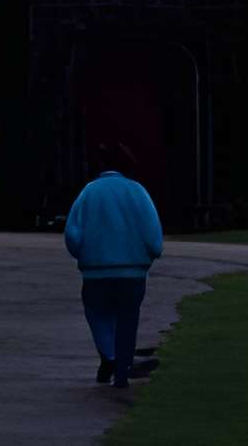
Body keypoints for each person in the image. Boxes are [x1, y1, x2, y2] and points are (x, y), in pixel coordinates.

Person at [63, 146, 164, 390]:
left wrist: (83, 255)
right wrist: (149, 255)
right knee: (128, 319)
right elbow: (154, 237)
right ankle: (122, 369)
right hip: (133, 272)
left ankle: (109, 357)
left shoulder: (88, 192)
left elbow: (72, 235)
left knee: (98, 314)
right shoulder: (138, 191)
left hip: (96, 272)